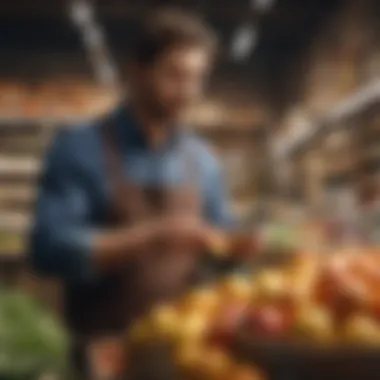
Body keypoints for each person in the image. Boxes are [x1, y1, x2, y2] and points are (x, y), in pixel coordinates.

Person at [28, 8, 254, 378]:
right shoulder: (79, 148)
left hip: (185, 353)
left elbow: (218, 247)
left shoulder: (203, 160)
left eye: (197, 78)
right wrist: (152, 237)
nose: (188, 92)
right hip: (105, 355)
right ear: (136, 71)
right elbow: (49, 249)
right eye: (175, 75)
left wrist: (237, 248)